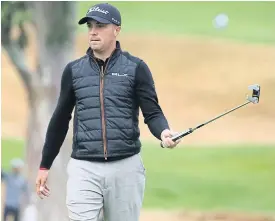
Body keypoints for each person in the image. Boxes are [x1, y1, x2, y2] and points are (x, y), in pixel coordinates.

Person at [35, 2, 181, 221]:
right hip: (84, 167)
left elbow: (152, 113)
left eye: (100, 26)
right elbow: (59, 120)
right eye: (90, 26)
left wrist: (164, 132)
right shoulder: (74, 71)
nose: (93, 31)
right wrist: (45, 164)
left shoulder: (136, 68)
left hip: (126, 167)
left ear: (116, 29)